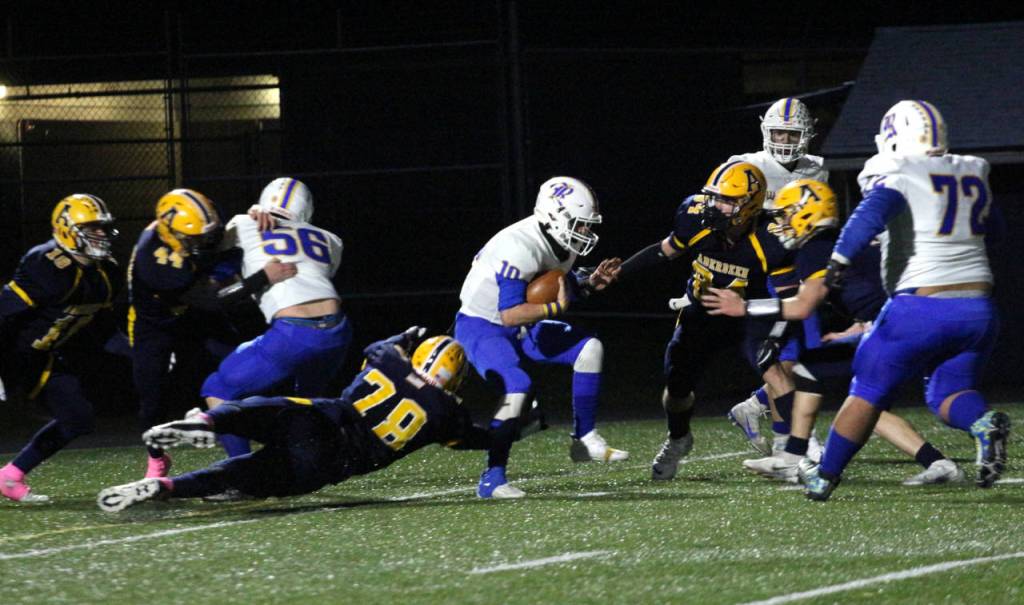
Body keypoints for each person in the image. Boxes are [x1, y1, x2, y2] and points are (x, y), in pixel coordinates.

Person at [802, 100, 1008, 501]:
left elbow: (871, 212)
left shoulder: (898, 169)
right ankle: (982, 424)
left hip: (921, 306)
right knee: (946, 392)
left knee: (867, 390)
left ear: (895, 138)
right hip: (979, 309)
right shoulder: (971, 170)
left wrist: (839, 259)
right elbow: (995, 232)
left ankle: (824, 476)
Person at [702, 179, 964, 486]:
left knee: (845, 394)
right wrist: (856, 328)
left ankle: (804, 464)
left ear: (806, 213)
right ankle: (937, 462)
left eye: (786, 215)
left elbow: (803, 306)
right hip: (905, 319)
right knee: (844, 392)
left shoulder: (816, 248)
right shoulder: (836, 242)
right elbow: (868, 293)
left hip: (897, 325)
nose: (781, 224)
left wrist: (745, 307)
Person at [97, 330, 503, 511]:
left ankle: (206, 421)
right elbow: (471, 438)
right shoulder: (446, 414)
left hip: (318, 417)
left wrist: (404, 339)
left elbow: (379, 348)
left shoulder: (388, 359)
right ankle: (167, 486)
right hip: (331, 462)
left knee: (253, 410)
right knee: (235, 475)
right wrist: (505, 432)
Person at [614, 160, 797, 481]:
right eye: (715, 197)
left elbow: (790, 298)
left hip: (748, 316)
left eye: (727, 200)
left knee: (776, 371)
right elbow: (664, 251)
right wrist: (618, 273)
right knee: (676, 388)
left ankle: (787, 454)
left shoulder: (771, 238)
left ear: (750, 204)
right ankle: (678, 438)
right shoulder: (694, 217)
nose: (716, 206)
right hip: (701, 316)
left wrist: (761, 319)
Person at [454, 176, 626, 499]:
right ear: (555, 217)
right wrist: (555, 308)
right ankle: (492, 478)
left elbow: (549, 287)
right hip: (483, 325)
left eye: (587, 225)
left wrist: (587, 284)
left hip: (523, 323)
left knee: (589, 349)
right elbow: (510, 313)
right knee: (518, 386)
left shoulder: (560, 242)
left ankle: (584, 438)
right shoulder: (519, 247)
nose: (585, 231)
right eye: (579, 224)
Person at [129, 188, 296, 478]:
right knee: (152, 398)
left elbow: (227, 239)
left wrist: (256, 213)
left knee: (242, 363)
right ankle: (156, 459)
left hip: (196, 311)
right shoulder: (154, 262)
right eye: (194, 238)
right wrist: (261, 278)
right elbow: (213, 299)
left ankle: (263, 427)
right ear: (171, 234)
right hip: (157, 324)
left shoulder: (198, 224)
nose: (205, 241)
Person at [199, 177, 351, 460]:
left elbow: (206, 249)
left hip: (296, 334)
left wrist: (248, 218)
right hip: (338, 333)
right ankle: (314, 462)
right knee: (307, 404)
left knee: (218, 388)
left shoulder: (245, 223)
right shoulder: (331, 240)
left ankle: (240, 470)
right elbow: (310, 277)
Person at [724, 97, 830, 458]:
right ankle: (792, 438)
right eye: (779, 133)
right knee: (783, 351)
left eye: (792, 134)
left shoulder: (817, 169)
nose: (784, 140)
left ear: (807, 134)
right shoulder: (745, 165)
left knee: (794, 352)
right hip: (758, 272)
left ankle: (756, 408)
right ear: (766, 132)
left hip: (795, 270)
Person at [0, 194, 121, 503]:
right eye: (92, 228)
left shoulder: (107, 273)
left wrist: (140, 350)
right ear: (68, 229)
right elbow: (4, 312)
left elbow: (103, 328)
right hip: (10, 352)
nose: (101, 235)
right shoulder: (46, 264)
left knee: (77, 417)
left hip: (43, 356)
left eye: (103, 227)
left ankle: (10, 476)